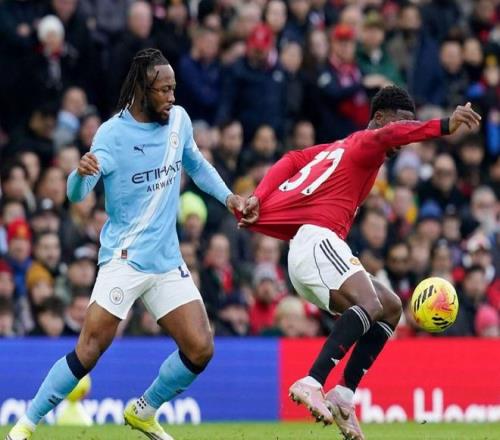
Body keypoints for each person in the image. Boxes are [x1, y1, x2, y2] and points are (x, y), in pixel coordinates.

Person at [6, 47, 243, 440]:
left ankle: (144, 411)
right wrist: (79, 175)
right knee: (89, 348)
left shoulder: (179, 121)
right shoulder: (112, 135)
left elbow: (197, 165)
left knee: (200, 347)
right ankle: (25, 426)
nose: (172, 97)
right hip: (125, 258)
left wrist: (230, 198)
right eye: (164, 90)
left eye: (173, 89)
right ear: (141, 91)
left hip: (166, 260)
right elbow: (77, 195)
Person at [238, 86, 481, 439]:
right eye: (399, 123)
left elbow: (292, 159)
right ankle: (312, 381)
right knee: (371, 303)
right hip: (318, 242)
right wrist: (444, 124)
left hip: (315, 250)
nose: (402, 134)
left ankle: (343, 394)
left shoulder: (340, 148)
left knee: (390, 306)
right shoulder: (367, 142)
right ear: (379, 119)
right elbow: (389, 135)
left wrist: (259, 196)